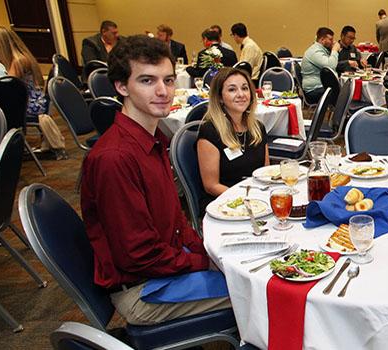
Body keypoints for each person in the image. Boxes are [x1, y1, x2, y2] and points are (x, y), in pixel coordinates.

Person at [81, 35, 231, 326]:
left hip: (165, 264)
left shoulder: (152, 140)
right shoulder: (115, 158)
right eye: (147, 81)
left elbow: (175, 222)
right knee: (257, 291)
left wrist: (204, 252)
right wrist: (205, 263)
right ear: (122, 86)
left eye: (169, 80)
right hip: (142, 290)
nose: (163, 91)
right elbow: (138, 256)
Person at [197, 68, 268, 212]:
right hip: (225, 203)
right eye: (232, 90)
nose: (241, 94)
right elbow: (211, 186)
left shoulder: (257, 128)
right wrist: (245, 199)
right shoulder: (210, 132)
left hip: (256, 200)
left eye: (245, 88)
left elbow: (264, 172)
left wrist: (262, 197)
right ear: (220, 97)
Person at [0, 26, 67, 159]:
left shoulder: (18, 61)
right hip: (33, 100)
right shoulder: (20, 57)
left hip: (30, 105)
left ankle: (5, 152)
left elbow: (8, 86)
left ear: (1, 43)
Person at [301, 27, 339, 103]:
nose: (333, 42)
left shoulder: (322, 50)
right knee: (343, 93)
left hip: (320, 86)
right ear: (322, 40)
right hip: (314, 90)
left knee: (344, 90)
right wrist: (335, 50)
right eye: (330, 39)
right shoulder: (315, 51)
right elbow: (331, 66)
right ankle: (341, 114)